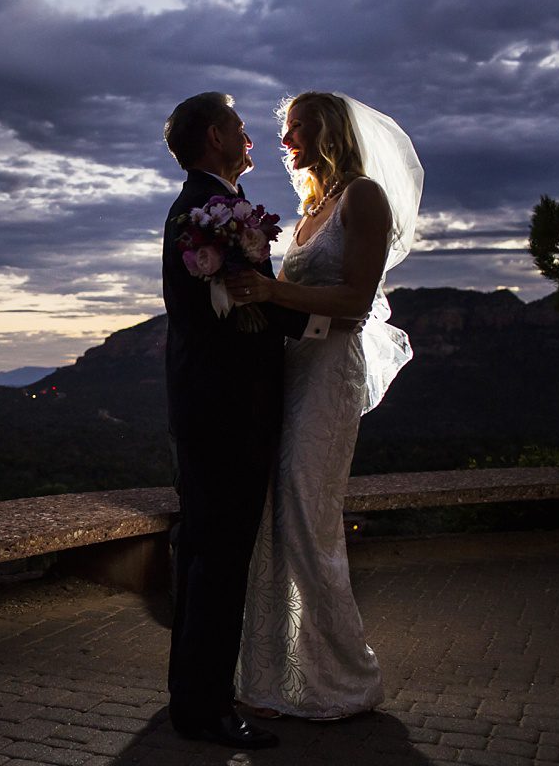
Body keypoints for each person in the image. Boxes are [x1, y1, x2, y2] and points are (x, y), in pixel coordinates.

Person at [228, 91, 423, 720]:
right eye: (285, 130)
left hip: (332, 371)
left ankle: (345, 677)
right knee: (279, 511)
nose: (286, 141)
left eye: (297, 129)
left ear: (328, 131)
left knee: (309, 514)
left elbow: (356, 300)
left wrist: (268, 287)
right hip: (295, 369)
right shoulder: (315, 206)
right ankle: (284, 671)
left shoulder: (362, 197)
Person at [161, 92, 332, 749]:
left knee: (205, 556)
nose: (250, 136)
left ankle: (191, 700)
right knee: (219, 561)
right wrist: (331, 322)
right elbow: (248, 310)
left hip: (208, 408)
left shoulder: (205, 207)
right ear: (214, 137)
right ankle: (207, 712)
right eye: (238, 127)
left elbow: (244, 304)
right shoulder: (209, 214)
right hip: (227, 414)